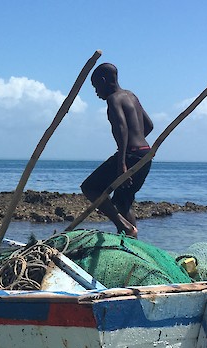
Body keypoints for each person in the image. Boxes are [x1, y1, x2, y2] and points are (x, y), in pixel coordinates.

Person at [81, 63, 154, 237]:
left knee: (90, 188)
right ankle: (134, 242)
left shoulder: (113, 99)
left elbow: (122, 129)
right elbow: (149, 125)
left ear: (104, 81)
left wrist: (122, 163)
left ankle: (125, 227)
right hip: (145, 153)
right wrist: (138, 138)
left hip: (130, 154)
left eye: (95, 86)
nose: (96, 92)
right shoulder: (131, 96)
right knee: (123, 202)